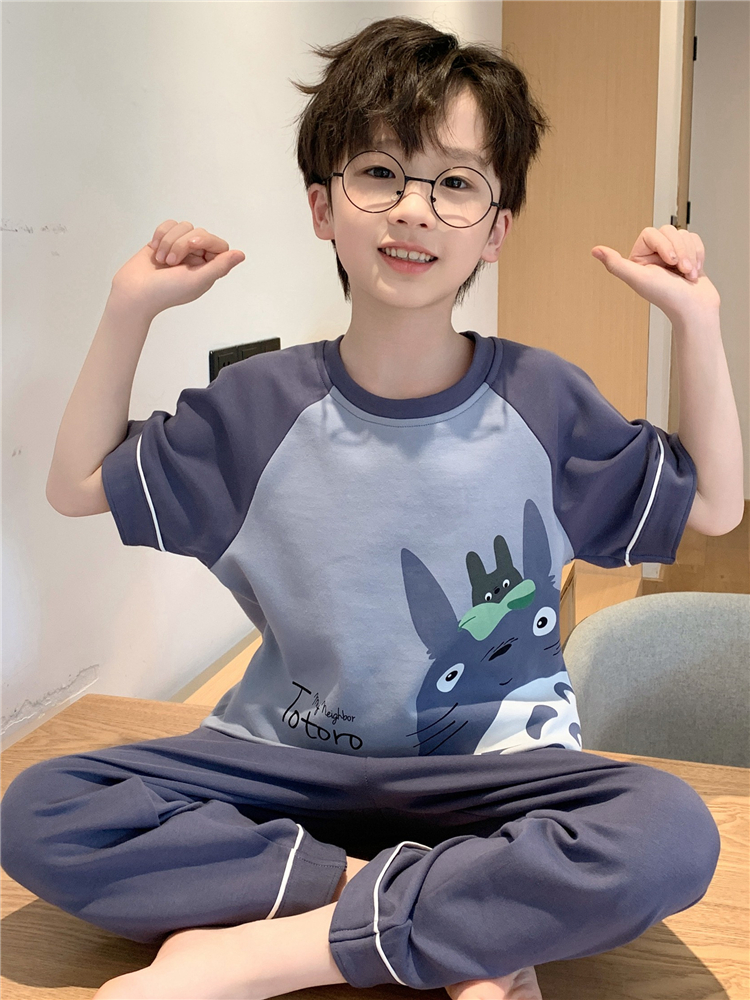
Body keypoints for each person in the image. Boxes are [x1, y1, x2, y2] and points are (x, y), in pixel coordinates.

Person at [2, 15, 742, 1000]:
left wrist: (698, 319)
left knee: (670, 834)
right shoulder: (259, 408)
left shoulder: (544, 400)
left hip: (494, 780)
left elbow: (717, 507)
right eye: (380, 173)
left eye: (456, 183)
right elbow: (78, 484)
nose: (415, 210)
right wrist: (130, 305)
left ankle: (271, 950)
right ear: (323, 206)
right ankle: (447, 918)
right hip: (286, 765)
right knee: (43, 809)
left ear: (496, 228)